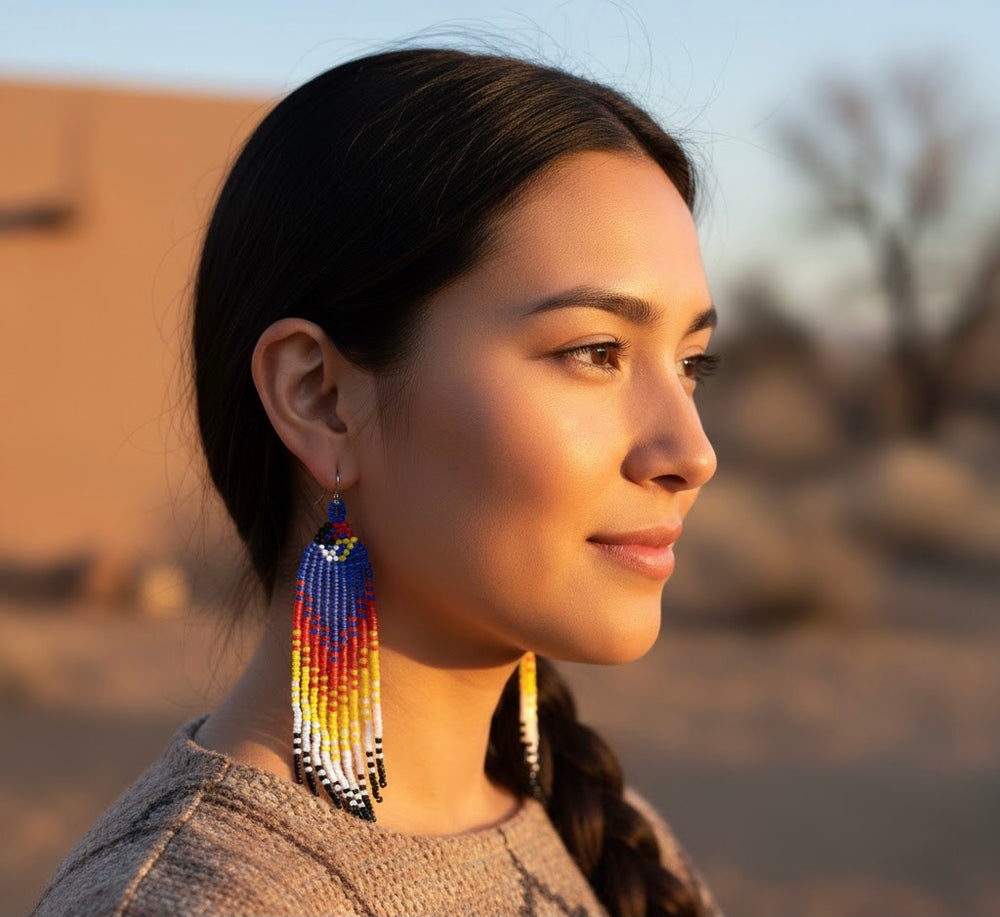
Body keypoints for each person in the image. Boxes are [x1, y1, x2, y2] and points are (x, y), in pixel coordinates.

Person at [32, 47, 723, 917]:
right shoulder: (196, 901)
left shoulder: (619, 843)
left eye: (692, 363)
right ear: (320, 399)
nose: (692, 451)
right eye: (595, 351)